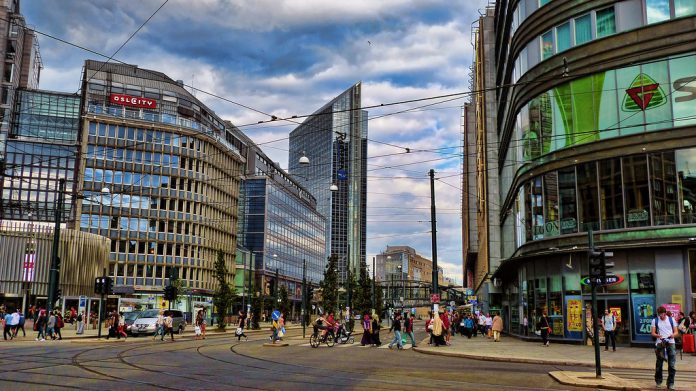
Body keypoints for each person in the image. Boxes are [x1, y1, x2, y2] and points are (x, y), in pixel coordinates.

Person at [651, 306, 678, 390]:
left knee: (672, 365)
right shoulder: (655, 320)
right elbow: (653, 333)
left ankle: (670, 383)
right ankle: (658, 381)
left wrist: (673, 335)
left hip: (670, 343)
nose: (661, 316)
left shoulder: (671, 320)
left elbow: (676, 331)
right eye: (659, 315)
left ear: (665, 313)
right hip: (660, 343)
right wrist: (657, 335)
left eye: (662, 314)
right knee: (659, 364)